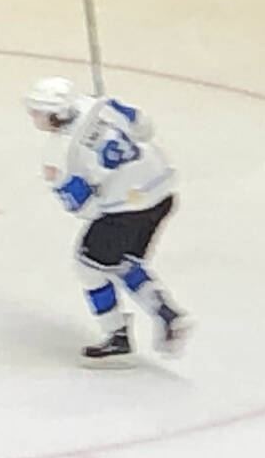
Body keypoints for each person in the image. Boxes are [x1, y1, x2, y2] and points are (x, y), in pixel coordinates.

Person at [26, 77, 191, 361]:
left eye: (37, 112)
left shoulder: (57, 155)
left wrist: (103, 188)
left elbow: (85, 208)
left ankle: (117, 337)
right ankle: (167, 313)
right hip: (162, 191)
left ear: (54, 115)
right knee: (120, 259)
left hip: (127, 209)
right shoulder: (100, 103)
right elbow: (145, 128)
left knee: (88, 264)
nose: (33, 117)